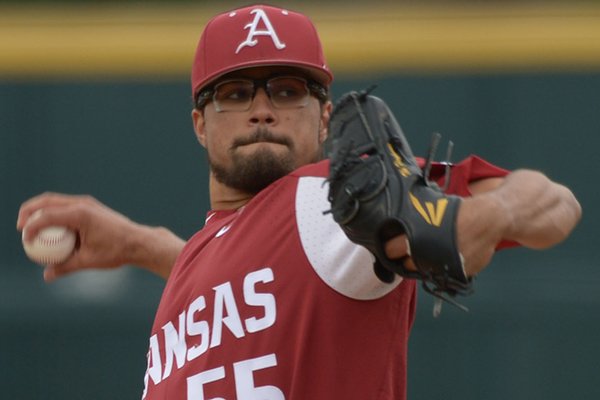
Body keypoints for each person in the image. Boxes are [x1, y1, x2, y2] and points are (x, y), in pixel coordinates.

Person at [17, 4, 581, 400]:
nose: (262, 110)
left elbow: (554, 203)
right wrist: (142, 244)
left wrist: (467, 219)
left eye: (287, 91)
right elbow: (261, 281)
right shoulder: (209, 253)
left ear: (326, 115)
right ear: (199, 124)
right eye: (235, 93)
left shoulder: (328, 199)